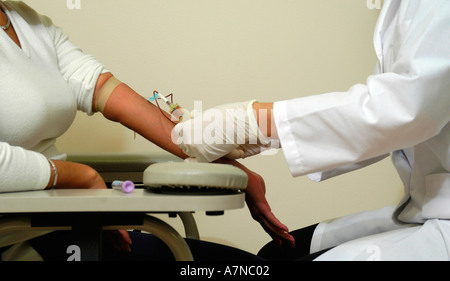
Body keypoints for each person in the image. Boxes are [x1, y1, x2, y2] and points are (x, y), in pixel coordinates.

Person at [0, 1, 294, 260]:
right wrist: (83, 177)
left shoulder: (28, 21)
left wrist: (225, 163)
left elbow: (101, 89)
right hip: (19, 237)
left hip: (61, 225)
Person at [174, 0, 450, 260]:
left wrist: (254, 122)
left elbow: (402, 109)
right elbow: (388, 122)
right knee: (274, 254)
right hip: (426, 205)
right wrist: (264, 135)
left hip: (440, 213)